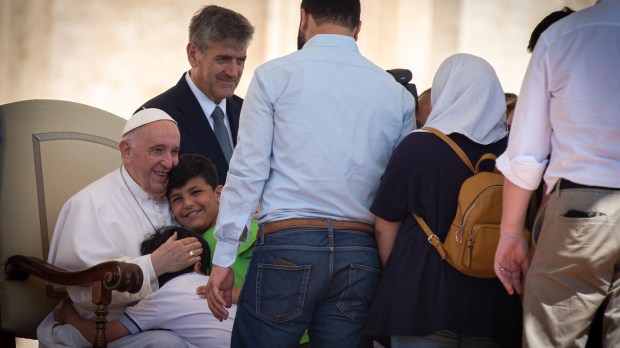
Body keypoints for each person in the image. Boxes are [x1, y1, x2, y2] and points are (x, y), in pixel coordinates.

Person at [204, 0, 415, 346]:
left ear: (303, 18)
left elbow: (247, 171)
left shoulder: (274, 76)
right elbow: (398, 190)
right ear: (357, 27)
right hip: (360, 252)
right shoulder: (396, 95)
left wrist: (223, 257)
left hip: (289, 242)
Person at [364, 53, 521, 347]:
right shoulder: (513, 151)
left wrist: (397, 274)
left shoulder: (419, 145)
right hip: (492, 299)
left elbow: (385, 225)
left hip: (420, 295)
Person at [494, 1, 620, 346]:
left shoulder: (564, 36)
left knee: (550, 339)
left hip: (582, 210)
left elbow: (526, 155)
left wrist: (510, 234)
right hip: (582, 205)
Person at [37, 108, 204, 347]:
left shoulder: (178, 198)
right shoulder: (89, 204)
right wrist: (154, 265)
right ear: (127, 151)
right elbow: (83, 293)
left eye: (174, 151)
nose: (169, 162)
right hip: (102, 329)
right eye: (158, 150)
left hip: (171, 320)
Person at [53, 226, 235, 347]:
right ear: (199, 267)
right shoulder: (224, 290)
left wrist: (70, 317)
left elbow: (101, 336)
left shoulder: (161, 298)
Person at [138, 5, 255, 185]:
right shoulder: (155, 116)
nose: (233, 72)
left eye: (240, 61)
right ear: (193, 55)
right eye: (223, 59)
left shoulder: (251, 113)